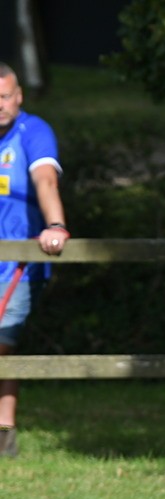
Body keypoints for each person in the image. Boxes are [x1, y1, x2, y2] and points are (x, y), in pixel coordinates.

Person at [0, 62, 68, 457]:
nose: (0, 105)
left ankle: (4, 432)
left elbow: (45, 179)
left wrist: (55, 224)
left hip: (19, 266)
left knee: (2, 343)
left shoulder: (33, 131)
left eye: (5, 96)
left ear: (19, 96)